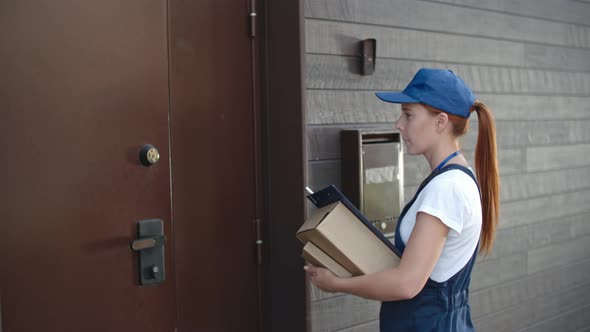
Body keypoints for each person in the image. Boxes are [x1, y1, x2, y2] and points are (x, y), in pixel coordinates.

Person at [304, 68, 500, 331]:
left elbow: (406, 284)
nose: (399, 124)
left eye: (408, 115)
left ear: (440, 122)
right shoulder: (453, 180)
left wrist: (336, 283)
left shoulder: (447, 188)